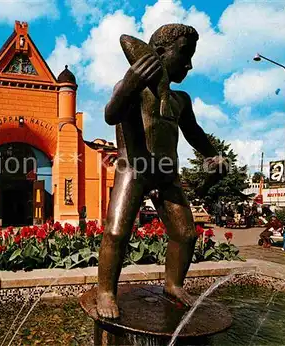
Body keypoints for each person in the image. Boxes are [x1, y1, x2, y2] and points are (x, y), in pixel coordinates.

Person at [96, 24, 229, 319]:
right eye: (184, 55)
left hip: (167, 174)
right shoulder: (133, 90)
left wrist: (213, 156)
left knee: (184, 234)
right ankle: (106, 291)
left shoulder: (181, 100)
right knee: (117, 232)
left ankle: (173, 284)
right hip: (133, 170)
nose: (189, 64)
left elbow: (194, 132)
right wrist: (131, 82)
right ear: (158, 54)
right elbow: (111, 114)